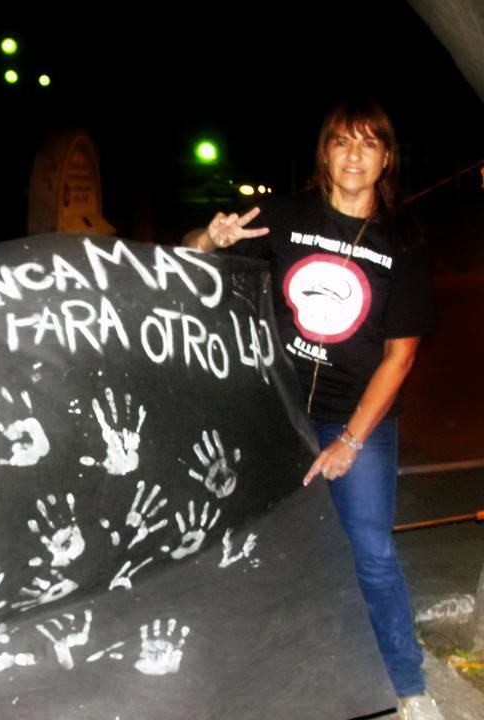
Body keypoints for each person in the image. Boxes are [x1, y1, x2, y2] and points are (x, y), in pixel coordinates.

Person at [184, 98, 440, 720]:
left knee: (371, 551)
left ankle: (408, 685)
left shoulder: (403, 241)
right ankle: (252, 671)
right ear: (324, 152)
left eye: (369, 144)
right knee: (251, 545)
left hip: (356, 418)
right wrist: (210, 239)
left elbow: (400, 358)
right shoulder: (285, 216)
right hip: (274, 412)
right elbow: (190, 263)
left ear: (386, 159)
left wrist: (349, 441)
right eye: (342, 141)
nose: (354, 155)